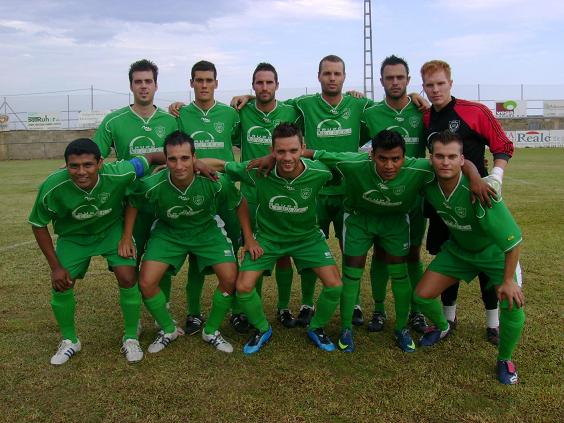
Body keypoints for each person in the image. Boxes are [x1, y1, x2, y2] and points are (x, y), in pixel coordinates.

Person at [201, 123, 343, 355]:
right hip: (268, 238)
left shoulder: (320, 172)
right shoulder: (259, 170)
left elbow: (344, 167)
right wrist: (193, 162)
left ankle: (316, 328)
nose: (287, 157)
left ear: (303, 148)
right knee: (244, 287)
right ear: (272, 151)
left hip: (307, 238)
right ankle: (262, 328)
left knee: (335, 286)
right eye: (281, 151)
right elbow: (223, 165)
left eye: (293, 151)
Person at [121, 131, 258, 354]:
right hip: (169, 232)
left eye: (185, 158)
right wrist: (127, 237)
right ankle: (168, 329)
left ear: (195, 158)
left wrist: (249, 238)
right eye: (172, 159)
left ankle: (211, 330)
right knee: (146, 283)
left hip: (206, 230)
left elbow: (239, 202)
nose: (179, 165)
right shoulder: (153, 184)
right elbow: (134, 202)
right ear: (165, 160)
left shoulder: (214, 181)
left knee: (230, 279)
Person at [29, 138, 163, 365]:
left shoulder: (119, 172)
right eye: (74, 166)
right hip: (74, 238)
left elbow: (150, 157)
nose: (81, 172)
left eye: (88, 165)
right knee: (62, 283)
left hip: (111, 232)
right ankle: (70, 341)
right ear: (66, 165)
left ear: (100, 163)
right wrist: (55, 267)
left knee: (127, 275)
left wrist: (189, 163)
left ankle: (131, 336)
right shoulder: (53, 186)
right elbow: (38, 224)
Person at [414, 131, 525, 385]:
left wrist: (508, 280)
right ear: (431, 158)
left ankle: (504, 358)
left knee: (512, 303)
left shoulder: (481, 192)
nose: (445, 162)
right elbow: (395, 162)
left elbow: (514, 240)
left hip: (494, 254)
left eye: (452, 156)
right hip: (459, 250)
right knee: (421, 295)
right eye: (439, 156)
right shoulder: (427, 179)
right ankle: (443, 326)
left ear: (461, 159)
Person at [421, 59, 514, 345]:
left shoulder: (475, 111)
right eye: (429, 85)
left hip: (477, 198)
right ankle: (448, 318)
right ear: (422, 87)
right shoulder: (425, 117)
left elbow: (503, 145)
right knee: (447, 259)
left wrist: (494, 177)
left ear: (451, 82)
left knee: (485, 260)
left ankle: (493, 323)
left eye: (440, 83)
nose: (435, 90)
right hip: (443, 201)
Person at [94, 59, 178, 314]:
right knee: (128, 264)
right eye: (138, 82)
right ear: (130, 85)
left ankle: (162, 311)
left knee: (160, 260)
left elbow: (184, 152)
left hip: (162, 202)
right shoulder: (113, 120)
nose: (143, 86)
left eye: (148, 81)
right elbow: (94, 159)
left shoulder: (171, 120)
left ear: (156, 85)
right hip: (128, 203)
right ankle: (134, 317)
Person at [361, 54, 428, 334]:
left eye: (400, 77)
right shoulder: (371, 113)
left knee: (412, 254)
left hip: (414, 197)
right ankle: (378, 310)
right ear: (381, 81)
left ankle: (417, 311)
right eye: (389, 77)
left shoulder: (423, 111)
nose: (395, 82)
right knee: (380, 253)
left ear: (409, 80)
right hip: (381, 196)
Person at [176, 60, 243, 335]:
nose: (204, 85)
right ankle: (194, 313)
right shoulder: (179, 116)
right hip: (194, 195)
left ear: (216, 83)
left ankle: (238, 312)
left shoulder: (231, 114)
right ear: (191, 83)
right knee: (195, 253)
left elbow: (244, 137)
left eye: (209, 80)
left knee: (232, 252)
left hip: (224, 192)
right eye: (199, 80)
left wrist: (248, 97)